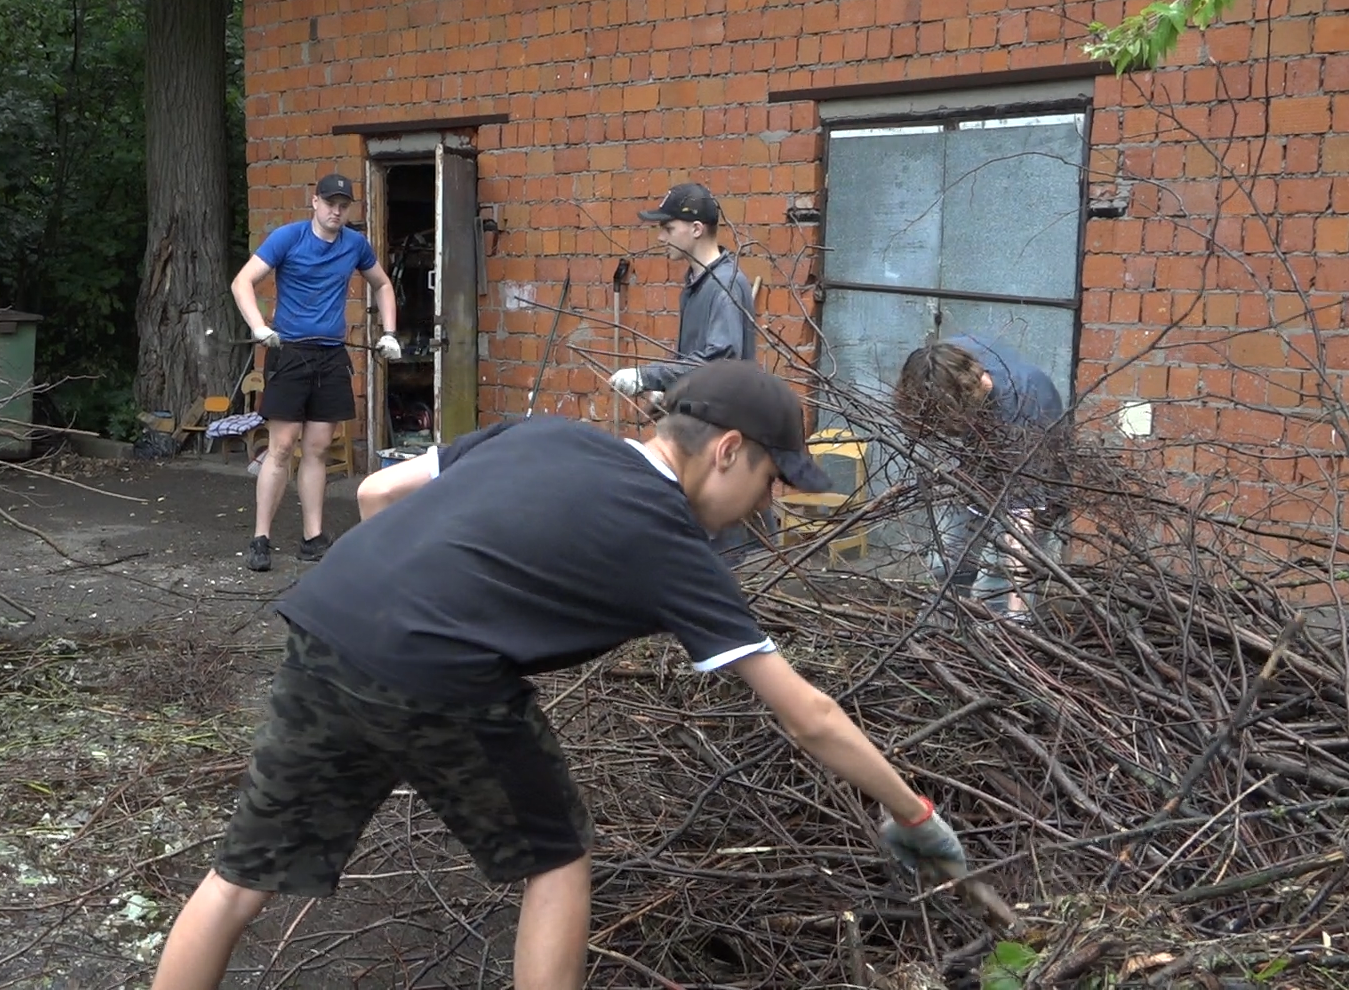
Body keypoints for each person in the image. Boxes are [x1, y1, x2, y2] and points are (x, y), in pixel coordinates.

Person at [148, 360, 970, 990]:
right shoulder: (674, 548)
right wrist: (914, 814)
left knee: (239, 878)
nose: (766, 506)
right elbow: (808, 716)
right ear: (728, 451)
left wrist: (414, 598)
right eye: (771, 482)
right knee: (557, 861)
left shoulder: (548, 434)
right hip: (445, 672)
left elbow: (379, 489)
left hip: (330, 624)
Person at [231, 173, 401, 572]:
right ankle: (261, 538)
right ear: (315, 201)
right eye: (329, 203)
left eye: (343, 205)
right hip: (289, 353)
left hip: (330, 357)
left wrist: (389, 332)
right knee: (282, 446)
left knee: (318, 449)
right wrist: (259, 327)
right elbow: (243, 282)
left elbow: (383, 284)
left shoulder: (355, 245)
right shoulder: (288, 238)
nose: (335, 211)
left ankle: (312, 537)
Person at [609, 181, 767, 557]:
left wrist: (648, 377)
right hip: (702, 435)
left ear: (696, 229)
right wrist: (672, 393)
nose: (661, 237)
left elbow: (720, 361)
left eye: (668, 228)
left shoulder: (725, 285)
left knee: (728, 553)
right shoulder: (697, 284)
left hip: (725, 440)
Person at [893, 334, 1071, 620]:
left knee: (998, 578)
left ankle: (1005, 644)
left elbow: (1020, 525)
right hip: (975, 472)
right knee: (945, 561)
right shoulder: (940, 365)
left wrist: (1018, 612)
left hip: (1032, 484)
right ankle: (941, 635)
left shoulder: (1026, 402)